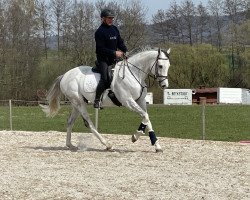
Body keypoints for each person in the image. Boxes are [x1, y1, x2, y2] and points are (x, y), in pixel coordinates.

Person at [93, 8, 127, 108]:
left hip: (114, 59)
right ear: (103, 18)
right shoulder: (99, 32)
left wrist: (125, 51)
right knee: (105, 78)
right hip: (103, 60)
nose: (111, 20)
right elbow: (100, 49)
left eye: (112, 18)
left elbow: (120, 43)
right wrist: (114, 52)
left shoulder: (115, 29)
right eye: (109, 18)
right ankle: (97, 100)